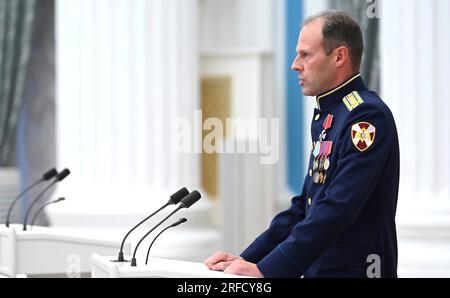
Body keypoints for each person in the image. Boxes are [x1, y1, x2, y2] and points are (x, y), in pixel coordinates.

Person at [204, 10, 400, 278]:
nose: (295, 64)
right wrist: (247, 259)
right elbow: (303, 209)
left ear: (339, 56)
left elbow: (337, 209)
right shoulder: (330, 116)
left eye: (306, 55)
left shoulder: (365, 117)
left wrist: (267, 270)